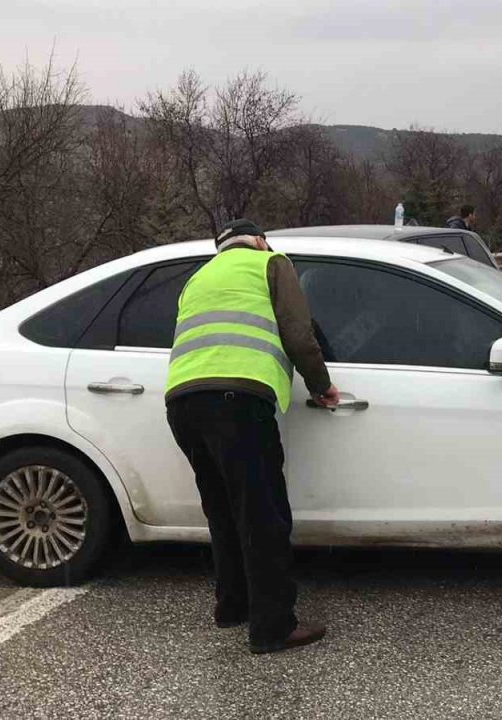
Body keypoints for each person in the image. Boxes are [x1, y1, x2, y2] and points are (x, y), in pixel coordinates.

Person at [165, 218, 339, 655]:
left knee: (223, 509)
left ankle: (232, 605)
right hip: (237, 400)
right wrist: (321, 386)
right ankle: (273, 627)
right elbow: (299, 334)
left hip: (182, 403)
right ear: (260, 241)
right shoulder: (271, 263)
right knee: (263, 515)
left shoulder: (197, 277)